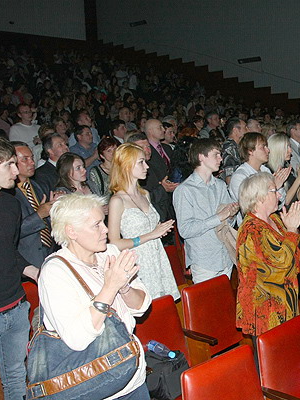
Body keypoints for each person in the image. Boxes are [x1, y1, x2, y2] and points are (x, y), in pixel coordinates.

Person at [40, 194, 152, 399]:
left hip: (132, 375)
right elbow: (77, 338)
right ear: (71, 231)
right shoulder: (55, 271)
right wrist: (110, 286)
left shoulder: (109, 252)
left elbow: (142, 306)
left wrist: (124, 287)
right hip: (95, 383)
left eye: (103, 222)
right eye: (96, 225)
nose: (106, 230)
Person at [0, 136, 39, 399]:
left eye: (16, 164)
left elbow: (8, 251)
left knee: (17, 378)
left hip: (16, 306)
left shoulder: (10, 203)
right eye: (8, 165)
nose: (16, 172)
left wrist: (33, 271)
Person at [235, 172, 300, 335]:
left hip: (285, 301)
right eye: (274, 191)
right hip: (265, 310)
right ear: (260, 197)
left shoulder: (275, 219)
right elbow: (282, 264)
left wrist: (292, 230)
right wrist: (292, 229)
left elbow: (294, 258)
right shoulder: (252, 229)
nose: (279, 195)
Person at [108, 143, 180, 300]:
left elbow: (150, 229)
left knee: (165, 305)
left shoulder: (145, 194)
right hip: (138, 262)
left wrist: (160, 229)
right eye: (141, 162)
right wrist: (151, 235)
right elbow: (114, 243)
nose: (146, 166)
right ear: (126, 165)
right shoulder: (117, 201)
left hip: (157, 257)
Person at [173, 138, 239, 283]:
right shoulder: (185, 190)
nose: (221, 159)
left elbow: (228, 222)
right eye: (216, 154)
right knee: (205, 298)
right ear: (201, 157)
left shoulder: (220, 185)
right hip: (204, 261)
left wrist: (231, 215)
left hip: (225, 257)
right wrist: (219, 217)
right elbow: (185, 230)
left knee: (225, 298)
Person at [12, 141, 57, 267]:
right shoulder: (8, 194)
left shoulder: (38, 185)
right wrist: (39, 215)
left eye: (32, 158)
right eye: (25, 159)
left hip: (50, 253)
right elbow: (11, 231)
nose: (32, 162)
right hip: (27, 260)